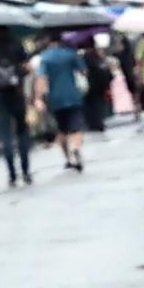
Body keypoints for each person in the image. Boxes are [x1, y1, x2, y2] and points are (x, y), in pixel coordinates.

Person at [31, 26, 89, 176]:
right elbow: (83, 71)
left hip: (55, 98)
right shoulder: (70, 54)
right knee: (76, 127)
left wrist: (38, 99)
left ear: (48, 41)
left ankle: (68, 158)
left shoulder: (45, 57)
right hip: (72, 94)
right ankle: (76, 147)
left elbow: (42, 78)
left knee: (62, 129)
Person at [0, 32, 34, 188]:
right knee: (22, 131)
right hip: (17, 93)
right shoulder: (16, 43)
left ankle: (11, 175)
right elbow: (27, 68)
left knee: (5, 134)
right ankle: (26, 171)